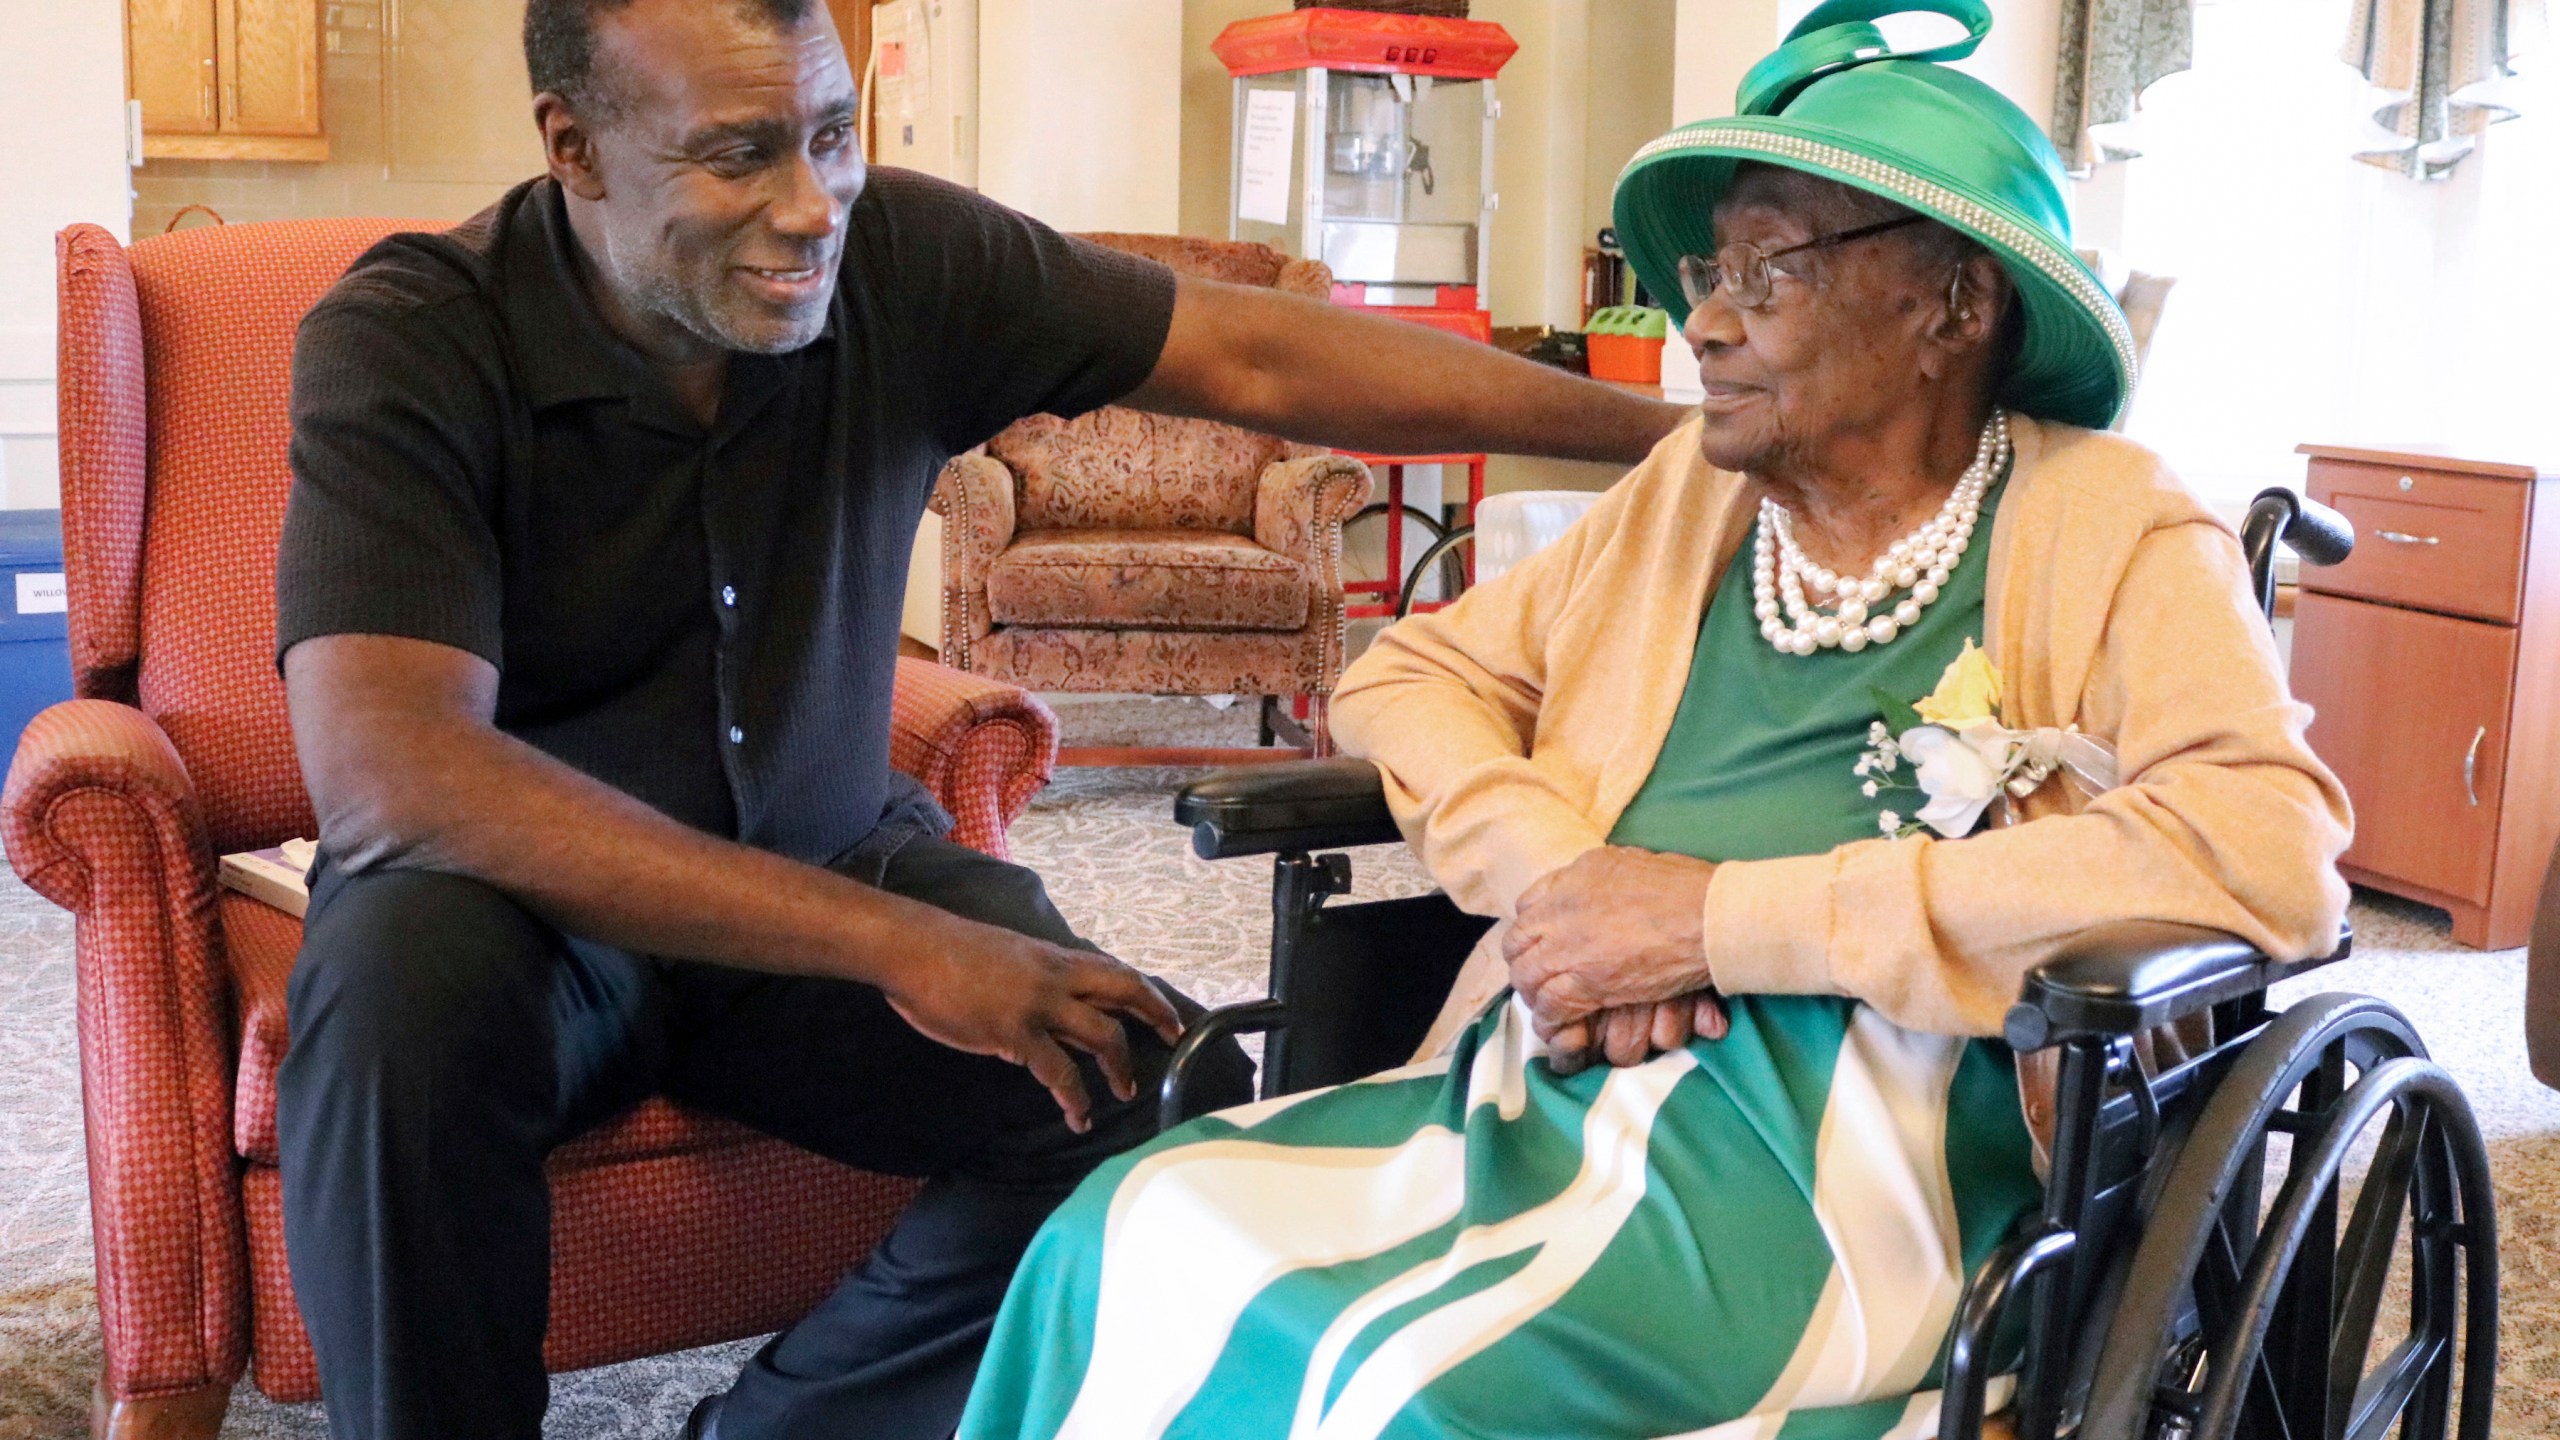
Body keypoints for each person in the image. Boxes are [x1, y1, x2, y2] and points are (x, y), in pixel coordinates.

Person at [270, 0, 1687, 1435]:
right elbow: (402, 778)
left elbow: (1258, 362)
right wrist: (902, 944)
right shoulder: (412, 338)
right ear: (573, 146)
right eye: (740, 154)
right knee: (392, 1006)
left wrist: (1686, 444)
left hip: (829, 851)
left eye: (833, 136)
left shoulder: (908, 261)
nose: (811, 205)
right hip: (526, 916)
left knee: (1145, 1080)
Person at [954, 3, 2353, 1436]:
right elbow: (1409, 675)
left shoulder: (2106, 518)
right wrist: (1558, 879)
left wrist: (1719, 922)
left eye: (1769, 264)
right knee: (1121, 1228)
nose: (1706, 317)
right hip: (1563, 1067)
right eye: (1706, 265)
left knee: (1398, 1382)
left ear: (1956, 304)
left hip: (1867, 1150)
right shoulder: (1694, 497)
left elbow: (2266, 852)